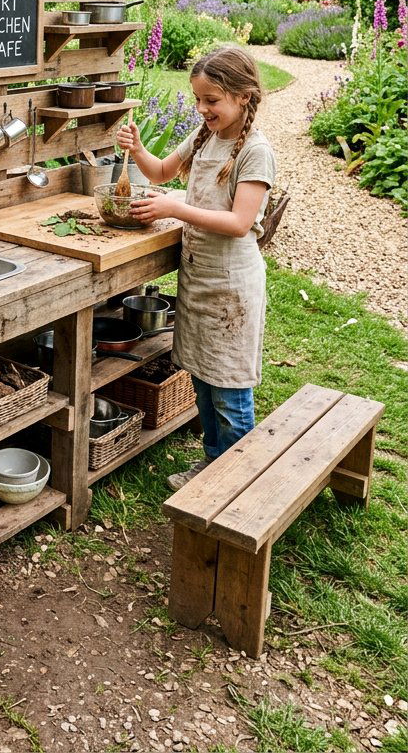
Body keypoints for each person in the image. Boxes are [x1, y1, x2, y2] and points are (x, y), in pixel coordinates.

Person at [116, 45, 276, 491]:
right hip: (200, 279)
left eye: (212, 100)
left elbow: (240, 223)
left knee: (229, 387)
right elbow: (162, 172)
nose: (203, 109)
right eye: (198, 100)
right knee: (204, 380)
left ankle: (240, 483)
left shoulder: (256, 152)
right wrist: (140, 149)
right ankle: (212, 467)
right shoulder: (206, 136)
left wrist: (176, 208)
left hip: (232, 289)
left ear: (243, 97)